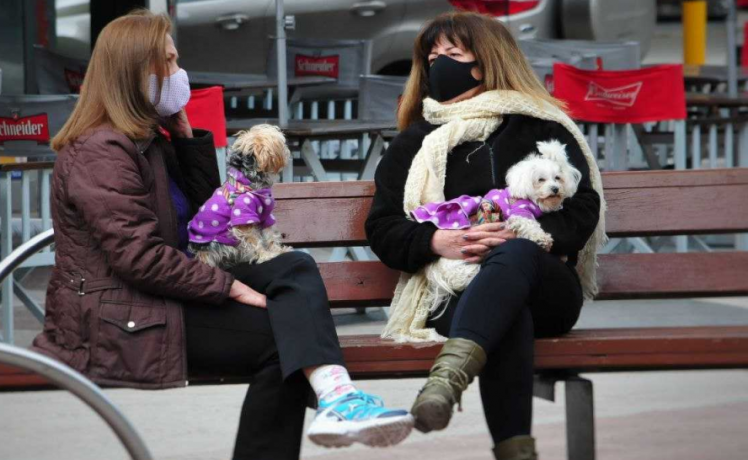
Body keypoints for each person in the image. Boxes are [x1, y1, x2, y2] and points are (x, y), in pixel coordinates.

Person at [32, 10, 413, 459]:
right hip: (116, 319)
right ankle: (336, 397)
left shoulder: (147, 140)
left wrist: (186, 140)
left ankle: (336, 398)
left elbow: (210, 221)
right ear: (134, 73)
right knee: (281, 341)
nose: (179, 74)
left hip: (162, 298)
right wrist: (227, 286)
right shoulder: (102, 151)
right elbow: (138, 258)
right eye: (168, 63)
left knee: (294, 264)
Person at [365, 11, 606, 460]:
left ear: (487, 62)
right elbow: (382, 229)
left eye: (452, 55)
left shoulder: (542, 128)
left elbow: (581, 210)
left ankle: (444, 383)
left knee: (514, 255)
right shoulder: (414, 142)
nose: (439, 65)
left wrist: (527, 233)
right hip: (452, 289)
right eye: (432, 57)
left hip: (546, 284)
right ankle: (515, 451)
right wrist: (439, 241)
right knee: (505, 313)